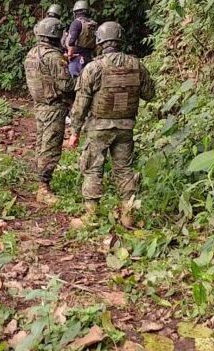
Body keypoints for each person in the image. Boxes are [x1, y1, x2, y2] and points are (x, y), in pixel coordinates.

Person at [66, 21, 155, 227]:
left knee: (93, 168)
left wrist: (74, 131)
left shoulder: (94, 68)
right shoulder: (136, 65)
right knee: (124, 169)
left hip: (99, 128)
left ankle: (91, 216)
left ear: (99, 42)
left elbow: (81, 104)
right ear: (120, 40)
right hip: (125, 127)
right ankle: (128, 215)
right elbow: (149, 94)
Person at [23, 17, 75, 205]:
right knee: (51, 146)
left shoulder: (32, 53)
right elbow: (67, 85)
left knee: (41, 143)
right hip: (54, 106)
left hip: (40, 105)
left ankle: (39, 179)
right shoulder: (53, 57)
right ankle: (43, 188)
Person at [65, 0, 97, 78]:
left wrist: (69, 54)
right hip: (89, 57)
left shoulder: (76, 23)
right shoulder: (94, 24)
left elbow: (72, 41)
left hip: (77, 58)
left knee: (74, 80)